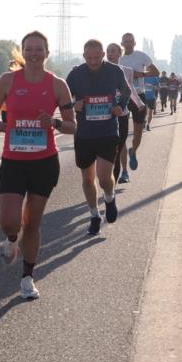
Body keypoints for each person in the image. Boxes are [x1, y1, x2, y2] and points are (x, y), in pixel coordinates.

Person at [0, 32, 76, 299]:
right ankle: (12, 239)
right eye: (29, 49)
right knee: (9, 222)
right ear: (22, 53)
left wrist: (56, 123)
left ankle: (27, 278)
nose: (34, 53)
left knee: (33, 223)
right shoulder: (8, 80)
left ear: (47, 53)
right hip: (13, 161)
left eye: (39, 49)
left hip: (44, 163)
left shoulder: (58, 85)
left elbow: (72, 126)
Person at [66, 39, 132, 236]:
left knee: (104, 178)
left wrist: (120, 105)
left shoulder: (114, 71)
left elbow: (126, 91)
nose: (93, 61)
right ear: (84, 56)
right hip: (84, 134)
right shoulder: (76, 74)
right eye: (89, 58)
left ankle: (109, 198)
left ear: (103, 54)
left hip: (107, 131)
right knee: (88, 179)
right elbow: (62, 97)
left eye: (96, 57)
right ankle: (94, 215)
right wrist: (72, 104)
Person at [117, 33, 159, 170]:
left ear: (134, 43)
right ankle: (123, 169)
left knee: (138, 132)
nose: (128, 44)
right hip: (122, 97)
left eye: (130, 41)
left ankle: (133, 150)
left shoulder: (141, 56)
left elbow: (156, 71)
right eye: (125, 42)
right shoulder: (118, 59)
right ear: (122, 44)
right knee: (121, 133)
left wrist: (141, 74)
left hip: (139, 96)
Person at [106, 42, 144, 184]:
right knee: (110, 146)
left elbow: (131, 90)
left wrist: (139, 103)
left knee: (121, 144)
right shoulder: (101, 70)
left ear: (119, 54)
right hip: (106, 113)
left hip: (122, 112)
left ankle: (124, 172)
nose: (110, 53)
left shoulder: (127, 70)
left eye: (113, 51)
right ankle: (109, 177)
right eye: (108, 51)